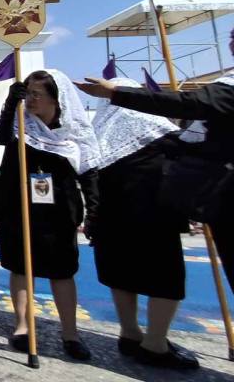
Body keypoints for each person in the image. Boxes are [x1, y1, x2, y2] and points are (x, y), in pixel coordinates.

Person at [75, 47, 234, 295]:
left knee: (143, 277)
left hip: (149, 220)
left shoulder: (152, 137)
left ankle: (145, 334)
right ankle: (148, 334)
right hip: (151, 220)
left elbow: (187, 105)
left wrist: (115, 93)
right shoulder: (165, 137)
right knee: (149, 279)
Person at [0, 70, 100, 360]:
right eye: (29, 93)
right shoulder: (20, 126)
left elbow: (88, 171)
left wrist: (93, 211)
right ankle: (23, 326)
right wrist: (11, 104)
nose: (32, 99)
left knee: (62, 271)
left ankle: (71, 333)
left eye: (37, 94)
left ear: (55, 99)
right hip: (19, 207)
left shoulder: (72, 133)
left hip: (58, 209)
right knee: (21, 268)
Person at [86, 77, 198, 370]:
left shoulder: (98, 132)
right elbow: (191, 155)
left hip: (111, 220)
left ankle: (130, 331)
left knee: (121, 275)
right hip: (155, 218)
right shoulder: (157, 129)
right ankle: (155, 342)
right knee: (165, 280)